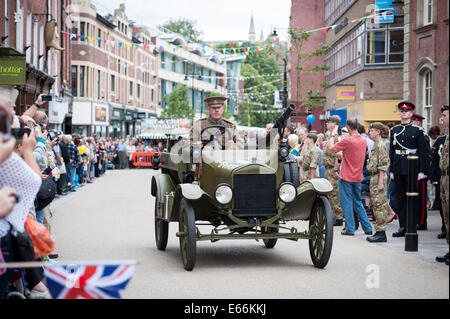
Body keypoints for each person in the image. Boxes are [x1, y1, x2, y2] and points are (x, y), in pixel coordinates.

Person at [389, 102, 430, 237]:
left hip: (412, 167)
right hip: (399, 166)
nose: (404, 113)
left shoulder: (417, 131)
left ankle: (412, 224)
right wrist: (392, 171)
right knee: (400, 198)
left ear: (411, 114)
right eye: (402, 111)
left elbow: (423, 152)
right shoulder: (394, 130)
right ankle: (403, 225)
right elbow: (392, 152)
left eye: (407, 111)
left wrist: (423, 171)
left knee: (413, 198)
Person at [327, 118, 373, 236]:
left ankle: (350, 229)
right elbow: (353, 154)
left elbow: (330, 148)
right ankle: (367, 227)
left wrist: (332, 136)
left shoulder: (347, 140)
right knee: (358, 202)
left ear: (348, 127)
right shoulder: (363, 140)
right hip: (357, 176)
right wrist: (342, 154)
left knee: (346, 203)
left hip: (346, 175)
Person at [366, 123, 390, 243]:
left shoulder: (381, 145)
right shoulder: (376, 145)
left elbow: (383, 165)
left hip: (378, 177)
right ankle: (379, 231)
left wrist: (380, 182)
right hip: (373, 177)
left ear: (378, 132)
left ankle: (381, 233)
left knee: (380, 205)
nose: (370, 132)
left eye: (372, 130)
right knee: (376, 205)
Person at [323, 116, 345, 226]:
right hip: (328, 168)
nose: (326, 124)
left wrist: (336, 170)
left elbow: (338, 155)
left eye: (329, 122)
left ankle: (339, 216)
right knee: (330, 194)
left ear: (334, 124)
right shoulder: (330, 136)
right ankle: (334, 215)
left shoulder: (336, 138)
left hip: (333, 168)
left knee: (334, 193)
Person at [436, 105, 449, 265]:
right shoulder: (446, 136)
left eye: (445, 116)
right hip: (445, 179)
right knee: (446, 214)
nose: (442, 118)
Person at [429, 126, 447, 239]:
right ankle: (445, 229)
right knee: (442, 204)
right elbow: (434, 161)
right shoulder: (441, 140)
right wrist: (434, 178)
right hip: (441, 177)